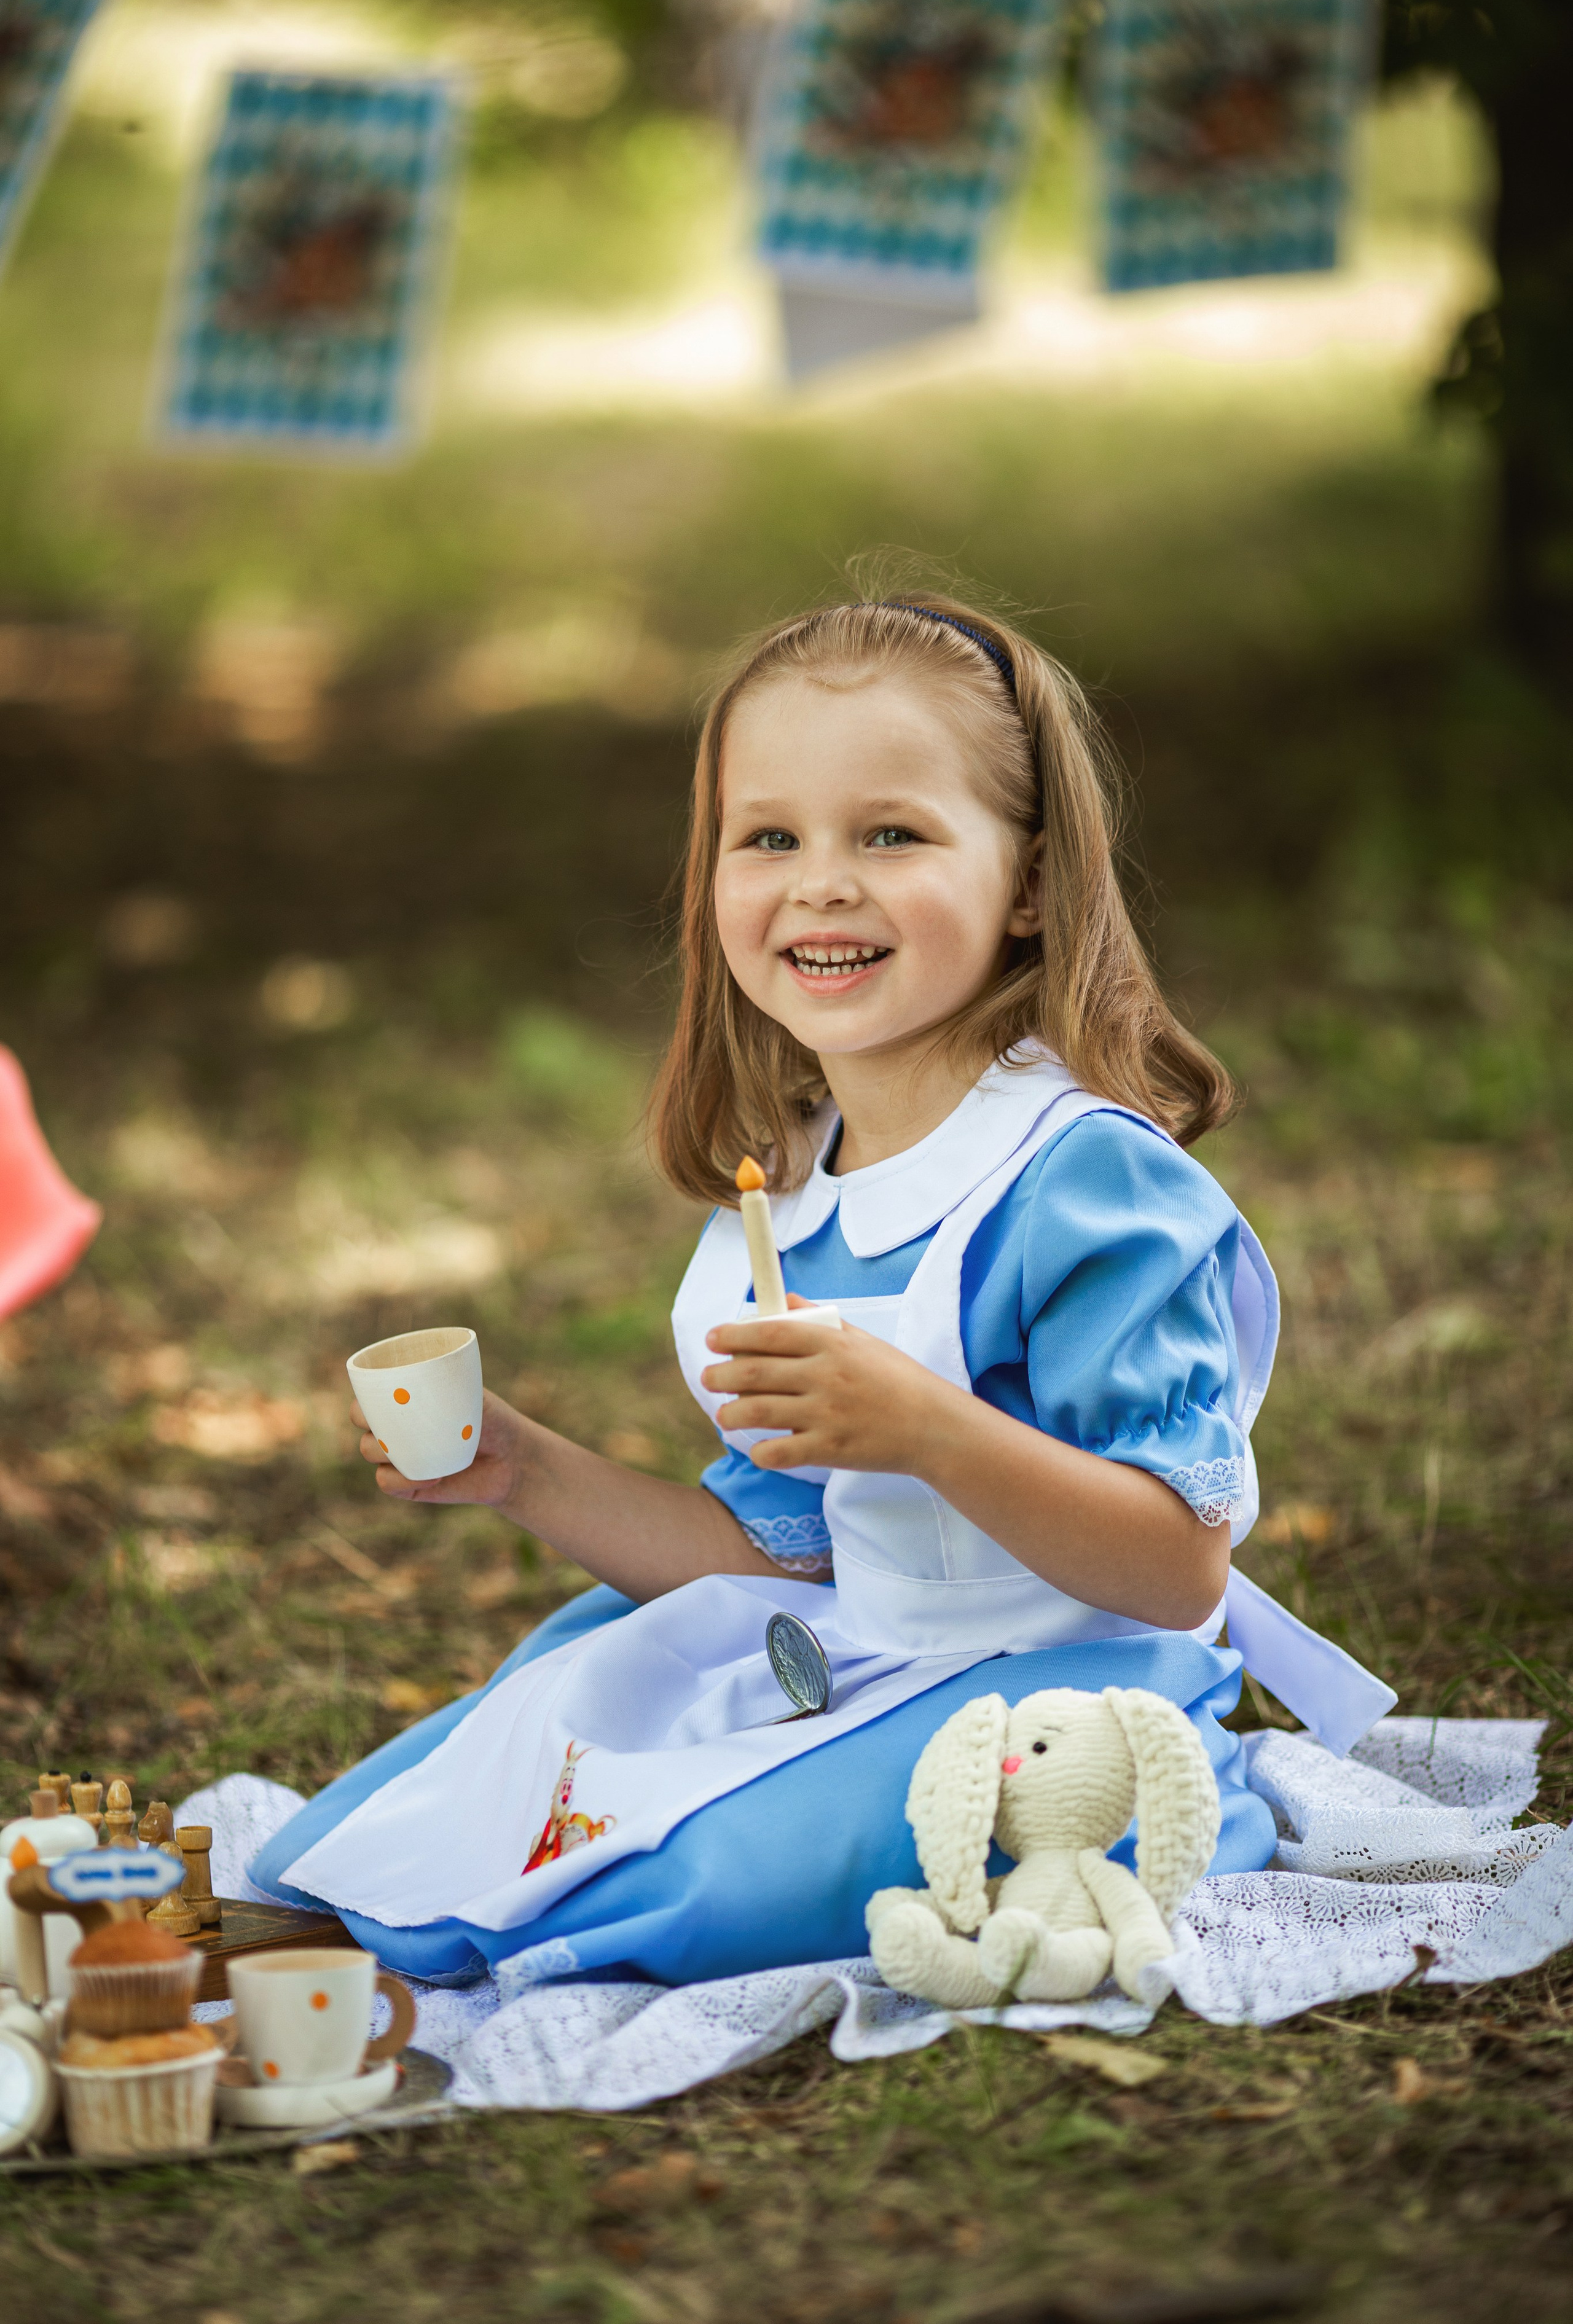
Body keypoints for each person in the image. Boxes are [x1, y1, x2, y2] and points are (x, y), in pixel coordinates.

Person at [251, 597, 1391, 1987]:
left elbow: (1172, 1567)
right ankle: (371, 1914)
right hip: (849, 1644)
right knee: (503, 1754)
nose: (821, 884)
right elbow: (782, 1557)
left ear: (1028, 883)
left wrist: (927, 1430)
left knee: (716, 1867)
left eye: (890, 834)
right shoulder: (781, 1182)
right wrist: (524, 1472)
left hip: (1057, 1685)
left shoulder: (1081, 1184)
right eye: (769, 837)